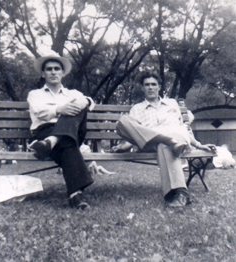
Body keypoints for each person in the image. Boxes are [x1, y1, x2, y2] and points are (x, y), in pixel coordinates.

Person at [112, 72, 215, 207]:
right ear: (142, 88)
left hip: (174, 138)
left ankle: (179, 194)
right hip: (151, 142)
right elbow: (136, 132)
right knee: (123, 121)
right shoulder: (136, 109)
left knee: (165, 145)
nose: (150, 87)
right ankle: (169, 142)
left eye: (153, 84)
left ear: (159, 87)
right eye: (147, 85)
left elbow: (181, 127)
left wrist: (198, 145)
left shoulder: (171, 103)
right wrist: (124, 146)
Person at [27, 51, 95, 210]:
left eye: (57, 69)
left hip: (61, 135)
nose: (53, 72)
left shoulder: (73, 94)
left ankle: (50, 143)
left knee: (79, 107)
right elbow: (39, 112)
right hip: (45, 130)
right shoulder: (35, 94)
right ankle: (75, 195)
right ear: (43, 74)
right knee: (68, 145)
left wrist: (84, 101)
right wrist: (60, 109)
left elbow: (89, 104)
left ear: (63, 73)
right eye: (49, 69)